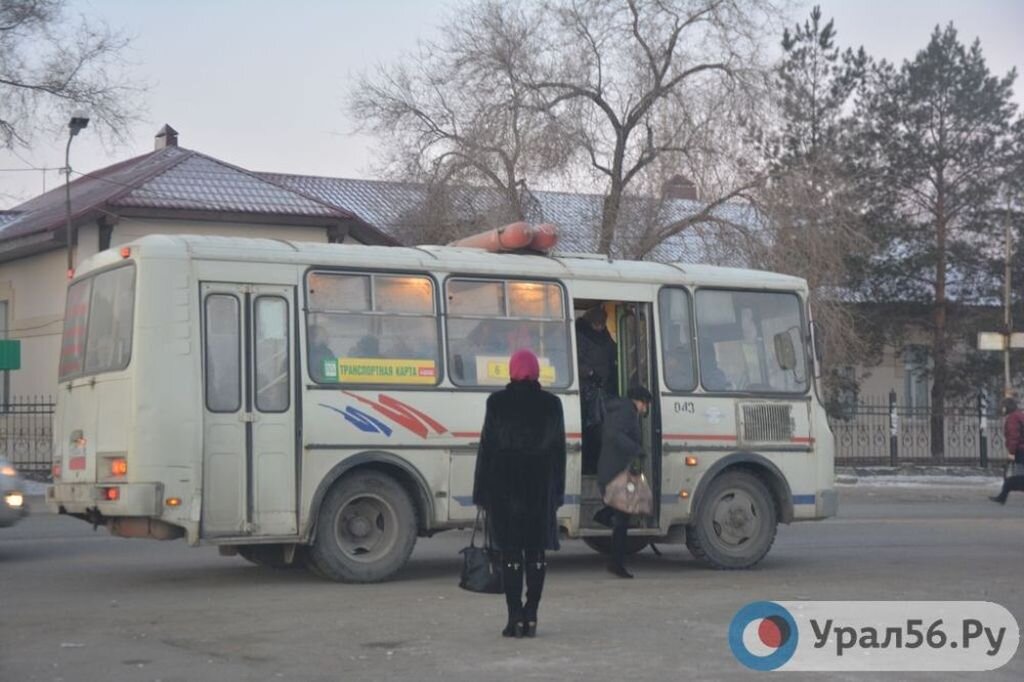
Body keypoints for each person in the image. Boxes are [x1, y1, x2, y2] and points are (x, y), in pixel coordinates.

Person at [473, 349, 566, 638]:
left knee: (510, 556)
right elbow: (559, 452)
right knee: (536, 555)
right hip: (539, 491)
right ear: (536, 372)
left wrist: (481, 494)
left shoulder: (497, 403)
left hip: (505, 491)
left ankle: (514, 617)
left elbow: (486, 450)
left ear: (511, 372)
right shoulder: (552, 405)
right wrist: (557, 494)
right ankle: (532, 615)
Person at [596, 385, 653, 579]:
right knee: (622, 519)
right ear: (641, 402)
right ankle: (616, 564)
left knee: (621, 516)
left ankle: (616, 561)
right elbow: (615, 435)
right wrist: (636, 449)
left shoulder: (621, 409)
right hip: (615, 472)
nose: (646, 410)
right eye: (646, 405)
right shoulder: (626, 412)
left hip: (612, 470)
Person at [576, 305, 618, 473]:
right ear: (590, 322)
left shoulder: (604, 336)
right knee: (592, 430)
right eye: (598, 324)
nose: (600, 327)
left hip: (603, 390)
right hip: (587, 391)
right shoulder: (580, 335)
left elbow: (613, 352)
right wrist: (591, 373)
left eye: (603, 324)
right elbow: (576, 362)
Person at [991, 397, 1024, 504]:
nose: (1002, 409)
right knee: (1017, 474)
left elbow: (1013, 436)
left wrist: (1012, 452)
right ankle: (1002, 496)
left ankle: (1003, 494)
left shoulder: (1013, 418)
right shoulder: (1019, 415)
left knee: (1015, 475)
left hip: (1020, 450)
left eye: (1003, 407)